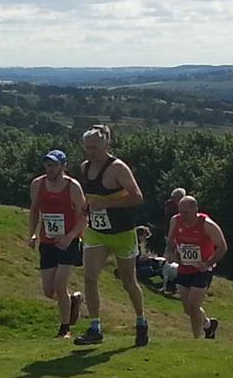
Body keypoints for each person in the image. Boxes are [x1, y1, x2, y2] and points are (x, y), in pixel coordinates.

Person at [73, 125, 149, 347]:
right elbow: (91, 197)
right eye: (87, 147)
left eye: (95, 147)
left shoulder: (118, 168)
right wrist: (87, 207)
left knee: (128, 282)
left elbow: (137, 197)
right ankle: (95, 327)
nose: (91, 152)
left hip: (122, 233)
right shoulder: (85, 167)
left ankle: (141, 321)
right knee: (89, 277)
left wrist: (107, 203)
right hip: (96, 232)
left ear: (106, 144)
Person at [28, 150, 86, 338]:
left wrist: (70, 236)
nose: (50, 169)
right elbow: (35, 211)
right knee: (48, 291)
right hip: (47, 241)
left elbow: (84, 217)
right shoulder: (38, 184)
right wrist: (32, 234)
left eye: (54, 165)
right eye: (47, 165)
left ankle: (65, 328)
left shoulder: (73, 187)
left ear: (63, 166)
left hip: (68, 242)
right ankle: (73, 301)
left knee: (60, 285)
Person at [166, 196, 227, 340]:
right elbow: (170, 239)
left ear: (195, 210)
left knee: (193, 306)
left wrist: (208, 263)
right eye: (180, 212)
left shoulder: (207, 225)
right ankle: (208, 325)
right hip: (184, 268)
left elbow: (222, 247)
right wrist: (169, 252)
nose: (183, 216)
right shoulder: (175, 220)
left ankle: (196, 340)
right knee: (188, 309)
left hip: (202, 270)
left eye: (186, 213)